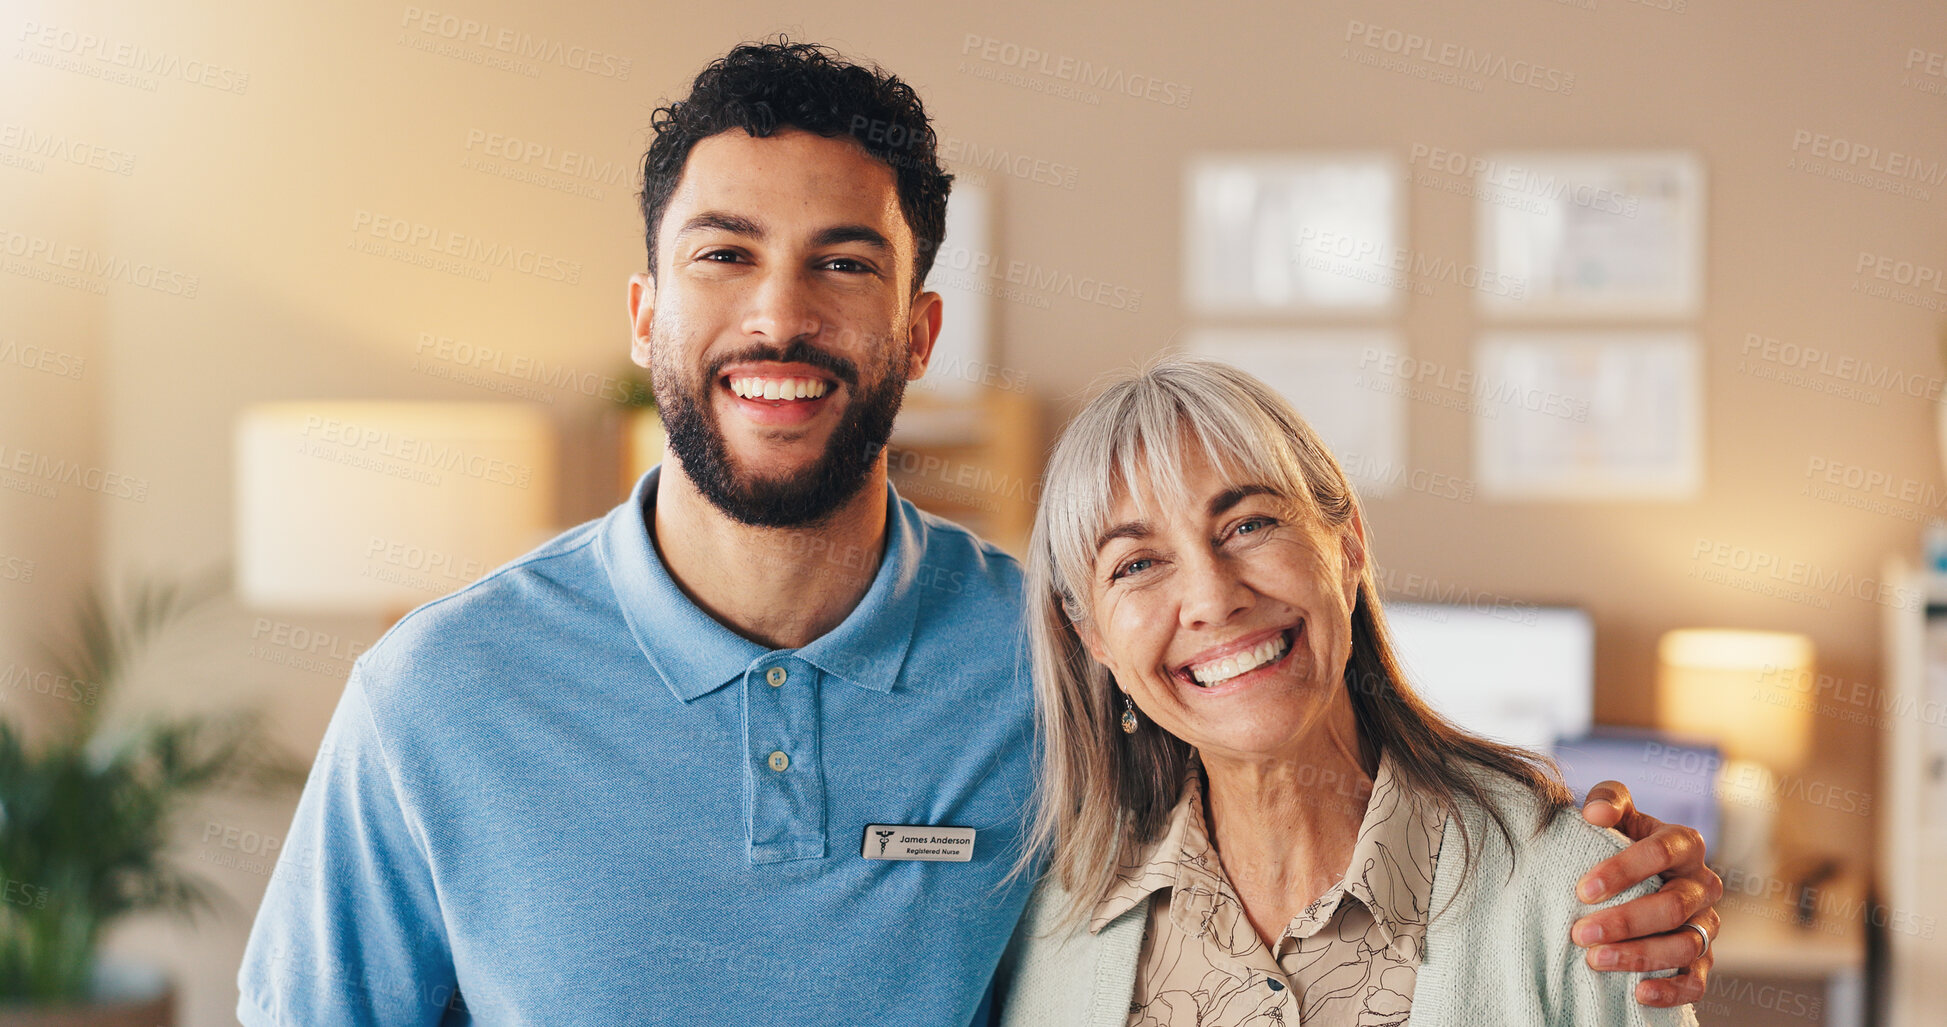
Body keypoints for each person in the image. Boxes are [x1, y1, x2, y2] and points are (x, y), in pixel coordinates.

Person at [237, 41, 1718, 1027]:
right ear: (645, 313)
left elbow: (1309, 790)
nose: (777, 314)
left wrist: (1608, 867)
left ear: (916, 326)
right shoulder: (435, 695)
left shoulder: (1067, 659)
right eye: (722, 257)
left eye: (842, 262)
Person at [995, 356, 1705, 1025]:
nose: (1210, 598)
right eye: (1138, 563)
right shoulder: (1049, 924)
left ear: (1348, 545)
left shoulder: (1578, 900)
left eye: (1248, 524)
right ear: (1091, 636)